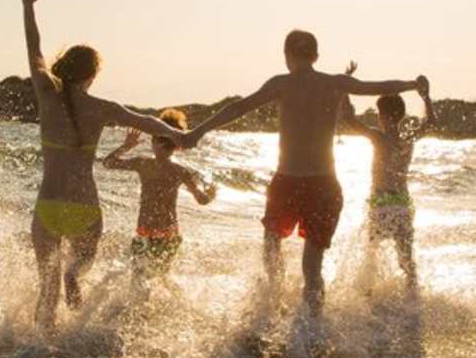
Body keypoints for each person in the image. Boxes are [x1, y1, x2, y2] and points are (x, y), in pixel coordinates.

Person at [180, 29, 425, 313]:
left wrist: (197, 133)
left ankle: (271, 304)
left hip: (287, 181)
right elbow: (378, 86)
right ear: (316, 56)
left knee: (272, 243)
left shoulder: (281, 84)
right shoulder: (335, 83)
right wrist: (412, 84)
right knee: (312, 267)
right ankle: (312, 329)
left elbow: (239, 107)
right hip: (325, 185)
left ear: (287, 56)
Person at [21, 0, 195, 328]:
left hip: (48, 205)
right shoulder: (102, 107)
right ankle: (74, 283)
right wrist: (181, 137)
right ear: (91, 76)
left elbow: (34, 49)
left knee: (46, 290)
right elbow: (147, 121)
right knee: (76, 270)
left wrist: (27, 7)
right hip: (85, 207)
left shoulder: (45, 93)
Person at [338, 75, 439, 287]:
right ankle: (413, 300)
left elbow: (348, 119)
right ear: (401, 115)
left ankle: (367, 298)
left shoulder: (378, 138)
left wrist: (345, 86)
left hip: (380, 204)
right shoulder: (408, 138)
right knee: (406, 259)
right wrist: (426, 97)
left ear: (382, 116)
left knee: (371, 256)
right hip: (402, 204)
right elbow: (431, 123)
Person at [101, 109, 217, 291]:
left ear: (155, 141)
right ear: (177, 146)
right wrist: (211, 193)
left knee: (138, 278)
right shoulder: (181, 171)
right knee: (161, 278)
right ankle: (165, 309)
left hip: (144, 231)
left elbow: (108, 163)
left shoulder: (143, 163)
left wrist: (126, 146)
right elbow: (202, 200)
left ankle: (138, 313)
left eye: (153, 138)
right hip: (169, 233)